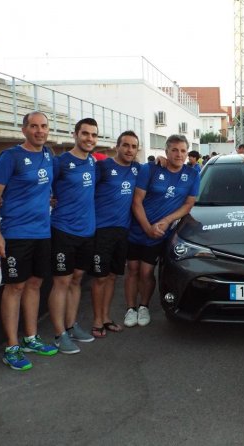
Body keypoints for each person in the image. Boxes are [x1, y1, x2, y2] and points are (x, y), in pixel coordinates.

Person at [0, 111, 58, 371]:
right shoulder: (11, 156)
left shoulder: (49, 154)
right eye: (34, 126)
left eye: (44, 126)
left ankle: (31, 338)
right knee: (14, 287)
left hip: (42, 232)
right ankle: (12, 346)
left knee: (35, 284)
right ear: (24, 129)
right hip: (16, 233)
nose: (40, 130)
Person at [124, 134, 200, 327]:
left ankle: (143, 306)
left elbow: (188, 204)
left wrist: (166, 221)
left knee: (147, 272)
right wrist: (147, 227)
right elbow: (136, 201)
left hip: (159, 233)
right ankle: (130, 308)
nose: (179, 154)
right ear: (166, 151)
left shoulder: (192, 175)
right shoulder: (150, 169)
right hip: (138, 228)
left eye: (183, 150)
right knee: (132, 269)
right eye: (174, 150)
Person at [48, 118, 98, 354]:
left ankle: (71, 325)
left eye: (93, 135)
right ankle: (59, 334)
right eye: (85, 134)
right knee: (62, 281)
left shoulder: (94, 163)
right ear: (76, 134)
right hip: (63, 231)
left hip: (87, 231)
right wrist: (49, 198)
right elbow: (41, 185)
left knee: (77, 279)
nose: (90, 138)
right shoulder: (61, 162)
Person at [89, 131, 140, 338]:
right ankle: (97, 320)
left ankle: (106, 317)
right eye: (125, 145)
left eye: (134, 146)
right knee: (100, 278)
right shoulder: (102, 167)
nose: (129, 150)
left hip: (122, 231)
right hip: (101, 231)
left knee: (112, 277)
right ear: (117, 146)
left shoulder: (138, 169)